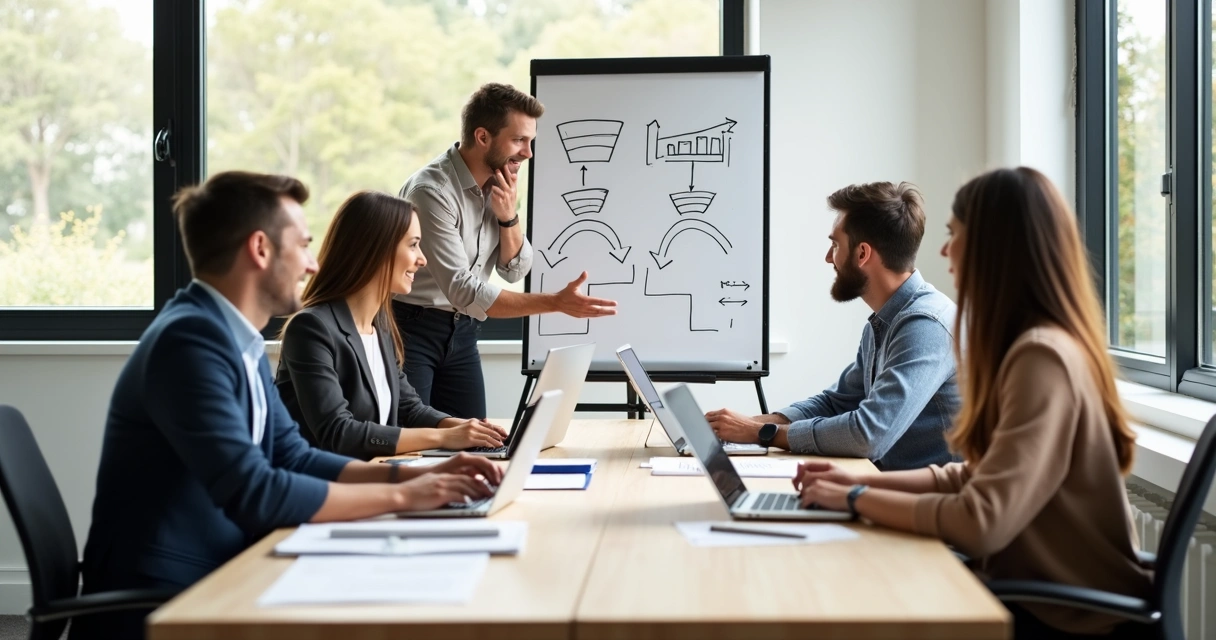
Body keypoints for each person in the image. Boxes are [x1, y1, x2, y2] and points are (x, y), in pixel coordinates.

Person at [72, 172, 503, 640]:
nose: (314, 265)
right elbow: (256, 490)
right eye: (302, 245)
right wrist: (406, 495)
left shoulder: (234, 338)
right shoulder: (188, 343)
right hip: (173, 592)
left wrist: (423, 476)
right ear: (260, 249)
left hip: (228, 563)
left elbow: (293, 456)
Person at [796, 167, 1152, 639]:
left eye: (953, 234)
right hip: (1029, 590)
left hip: (1066, 617)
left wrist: (858, 497)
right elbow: (974, 474)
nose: (944, 251)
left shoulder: (1042, 357)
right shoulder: (1031, 345)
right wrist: (856, 486)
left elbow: (982, 520)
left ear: (993, 247)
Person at [395, 82, 617, 419]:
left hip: (463, 331)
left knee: (474, 442)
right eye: (519, 140)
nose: (528, 153)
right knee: (414, 442)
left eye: (530, 141)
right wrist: (555, 302)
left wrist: (508, 217)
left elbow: (514, 269)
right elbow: (462, 289)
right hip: (413, 331)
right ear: (483, 137)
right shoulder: (432, 192)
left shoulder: (499, 185)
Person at [705, 181, 958, 471]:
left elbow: (868, 434)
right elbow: (836, 403)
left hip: (930, 505)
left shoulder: (925, 326)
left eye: (835, 245)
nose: (828, 257)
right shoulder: (884, 322)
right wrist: (746, 424)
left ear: (862, 254)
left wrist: (762, 435)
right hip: (890, 489)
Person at [275, 191, 508, 460]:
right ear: (376, 248)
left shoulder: (380, 324)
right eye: (413, 245)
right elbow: (338, 433)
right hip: (325, 489)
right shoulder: (311, 328)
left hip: (373, 475)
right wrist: (445, 437)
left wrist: (465, 427)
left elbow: (408, 407)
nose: (422, 259)